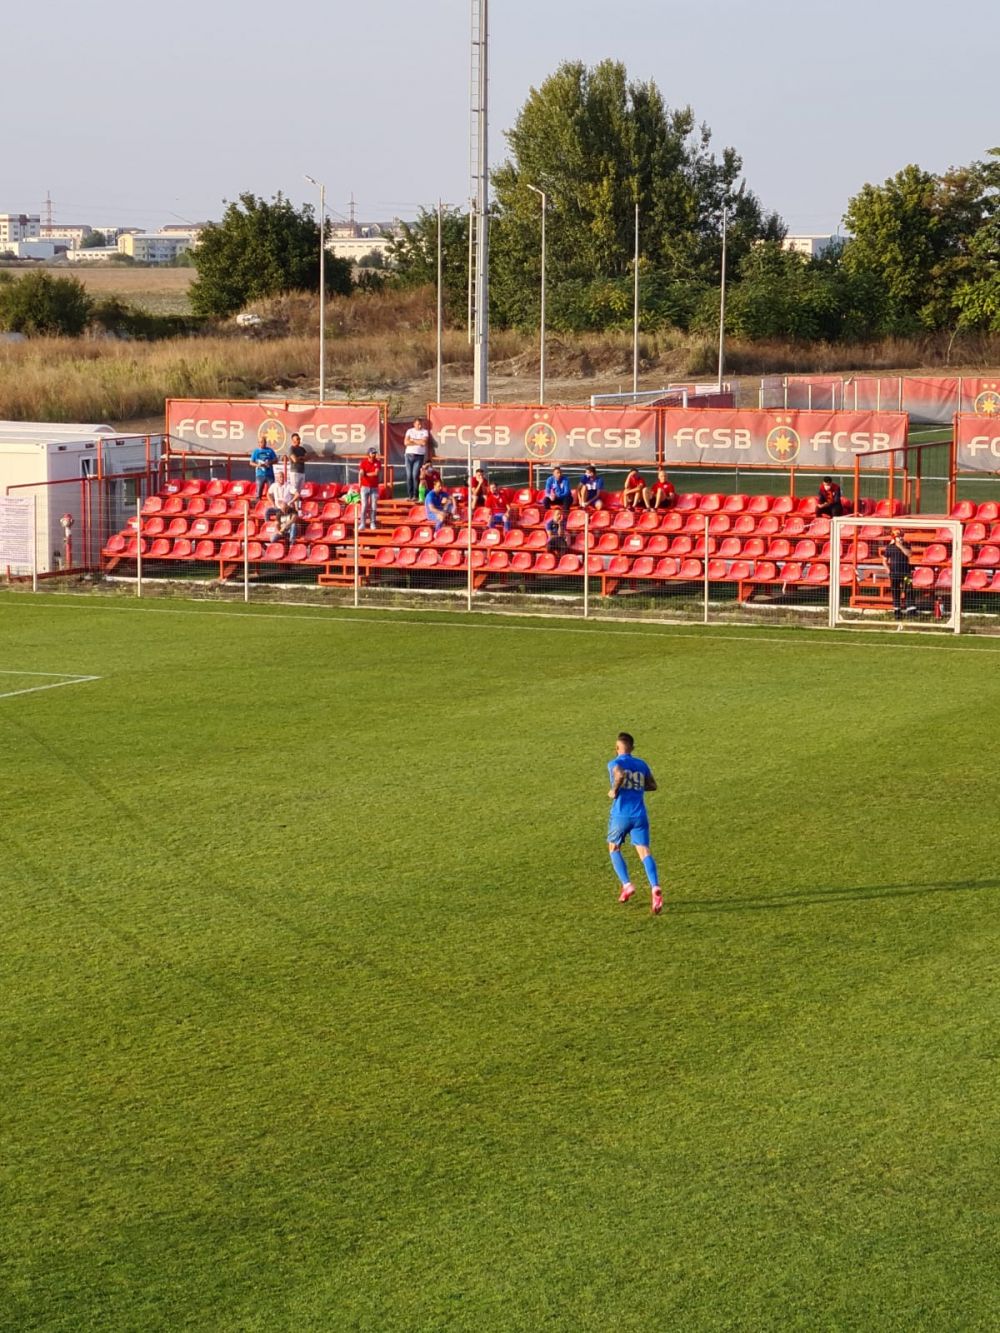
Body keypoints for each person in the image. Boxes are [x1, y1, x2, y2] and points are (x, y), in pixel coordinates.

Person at [607, 731, 662, 914]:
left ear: (617, 748)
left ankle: (627, 884)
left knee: (614, 848)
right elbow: (652, 785)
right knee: (644, 851)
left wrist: (615, 789)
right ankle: (655, 887)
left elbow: (620, 774)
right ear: (633, 748)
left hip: (621, 815)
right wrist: (637, 786)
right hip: (640, 815)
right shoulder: (641, 764)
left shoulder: (615, 763)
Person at [881, 528, 915, 619]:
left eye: (901, 536)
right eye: (898, 537)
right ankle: (897, 610)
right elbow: (884, 560)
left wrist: (900, 546)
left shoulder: (906, 545)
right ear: (894, 538)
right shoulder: (889, 547)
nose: (900, 538)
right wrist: (888, 570)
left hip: (906, 573)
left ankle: (911, 610)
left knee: (908, 590)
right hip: (894, 573)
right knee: (896, 592)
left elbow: (909, 554)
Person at [403, 417, 431, 502]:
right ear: (414, 424)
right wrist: (418, 441)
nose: (419, 426)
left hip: (419, 456)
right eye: (417, 424)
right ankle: (410, 495)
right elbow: (406, 442)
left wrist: (413, 440)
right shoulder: (409, 431)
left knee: (415, 475)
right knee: (409, 475)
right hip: (409, 455)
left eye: (420, 424)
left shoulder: (424, 432)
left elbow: (424, 443)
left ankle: (415, 495)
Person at [358, 445, 381, 531]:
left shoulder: (378, 462)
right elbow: (361, 472)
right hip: (364, 487)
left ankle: (372, 522)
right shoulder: (363, 462)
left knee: (374, 506)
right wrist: (362, 474)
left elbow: (376, 473)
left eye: (375, 453)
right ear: (369, 454)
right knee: (364, 506)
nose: (374, 454)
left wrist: (366, 474)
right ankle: (362, 523)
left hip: (374, 487)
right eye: (373, 453)